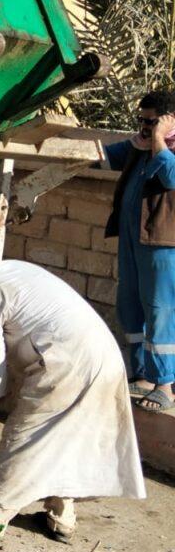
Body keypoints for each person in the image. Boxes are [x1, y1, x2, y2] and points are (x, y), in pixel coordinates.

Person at [0, 239, 145, 539]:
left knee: (21, 439)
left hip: (66, 363)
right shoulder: (8, 270)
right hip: (100, 356)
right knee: (63, 438)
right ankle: (62, 518)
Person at [104, 90, 175, 413]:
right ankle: (142, 374)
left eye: (151, 121)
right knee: (130, 306)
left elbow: (170, 176)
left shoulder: (166, 148)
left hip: (162, 245)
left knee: (161, 310)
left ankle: (165, 384)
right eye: (141, 120)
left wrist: (160, 139)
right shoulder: (140, 146)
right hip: (133, 240)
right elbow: (102, 155)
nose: (143, 127)